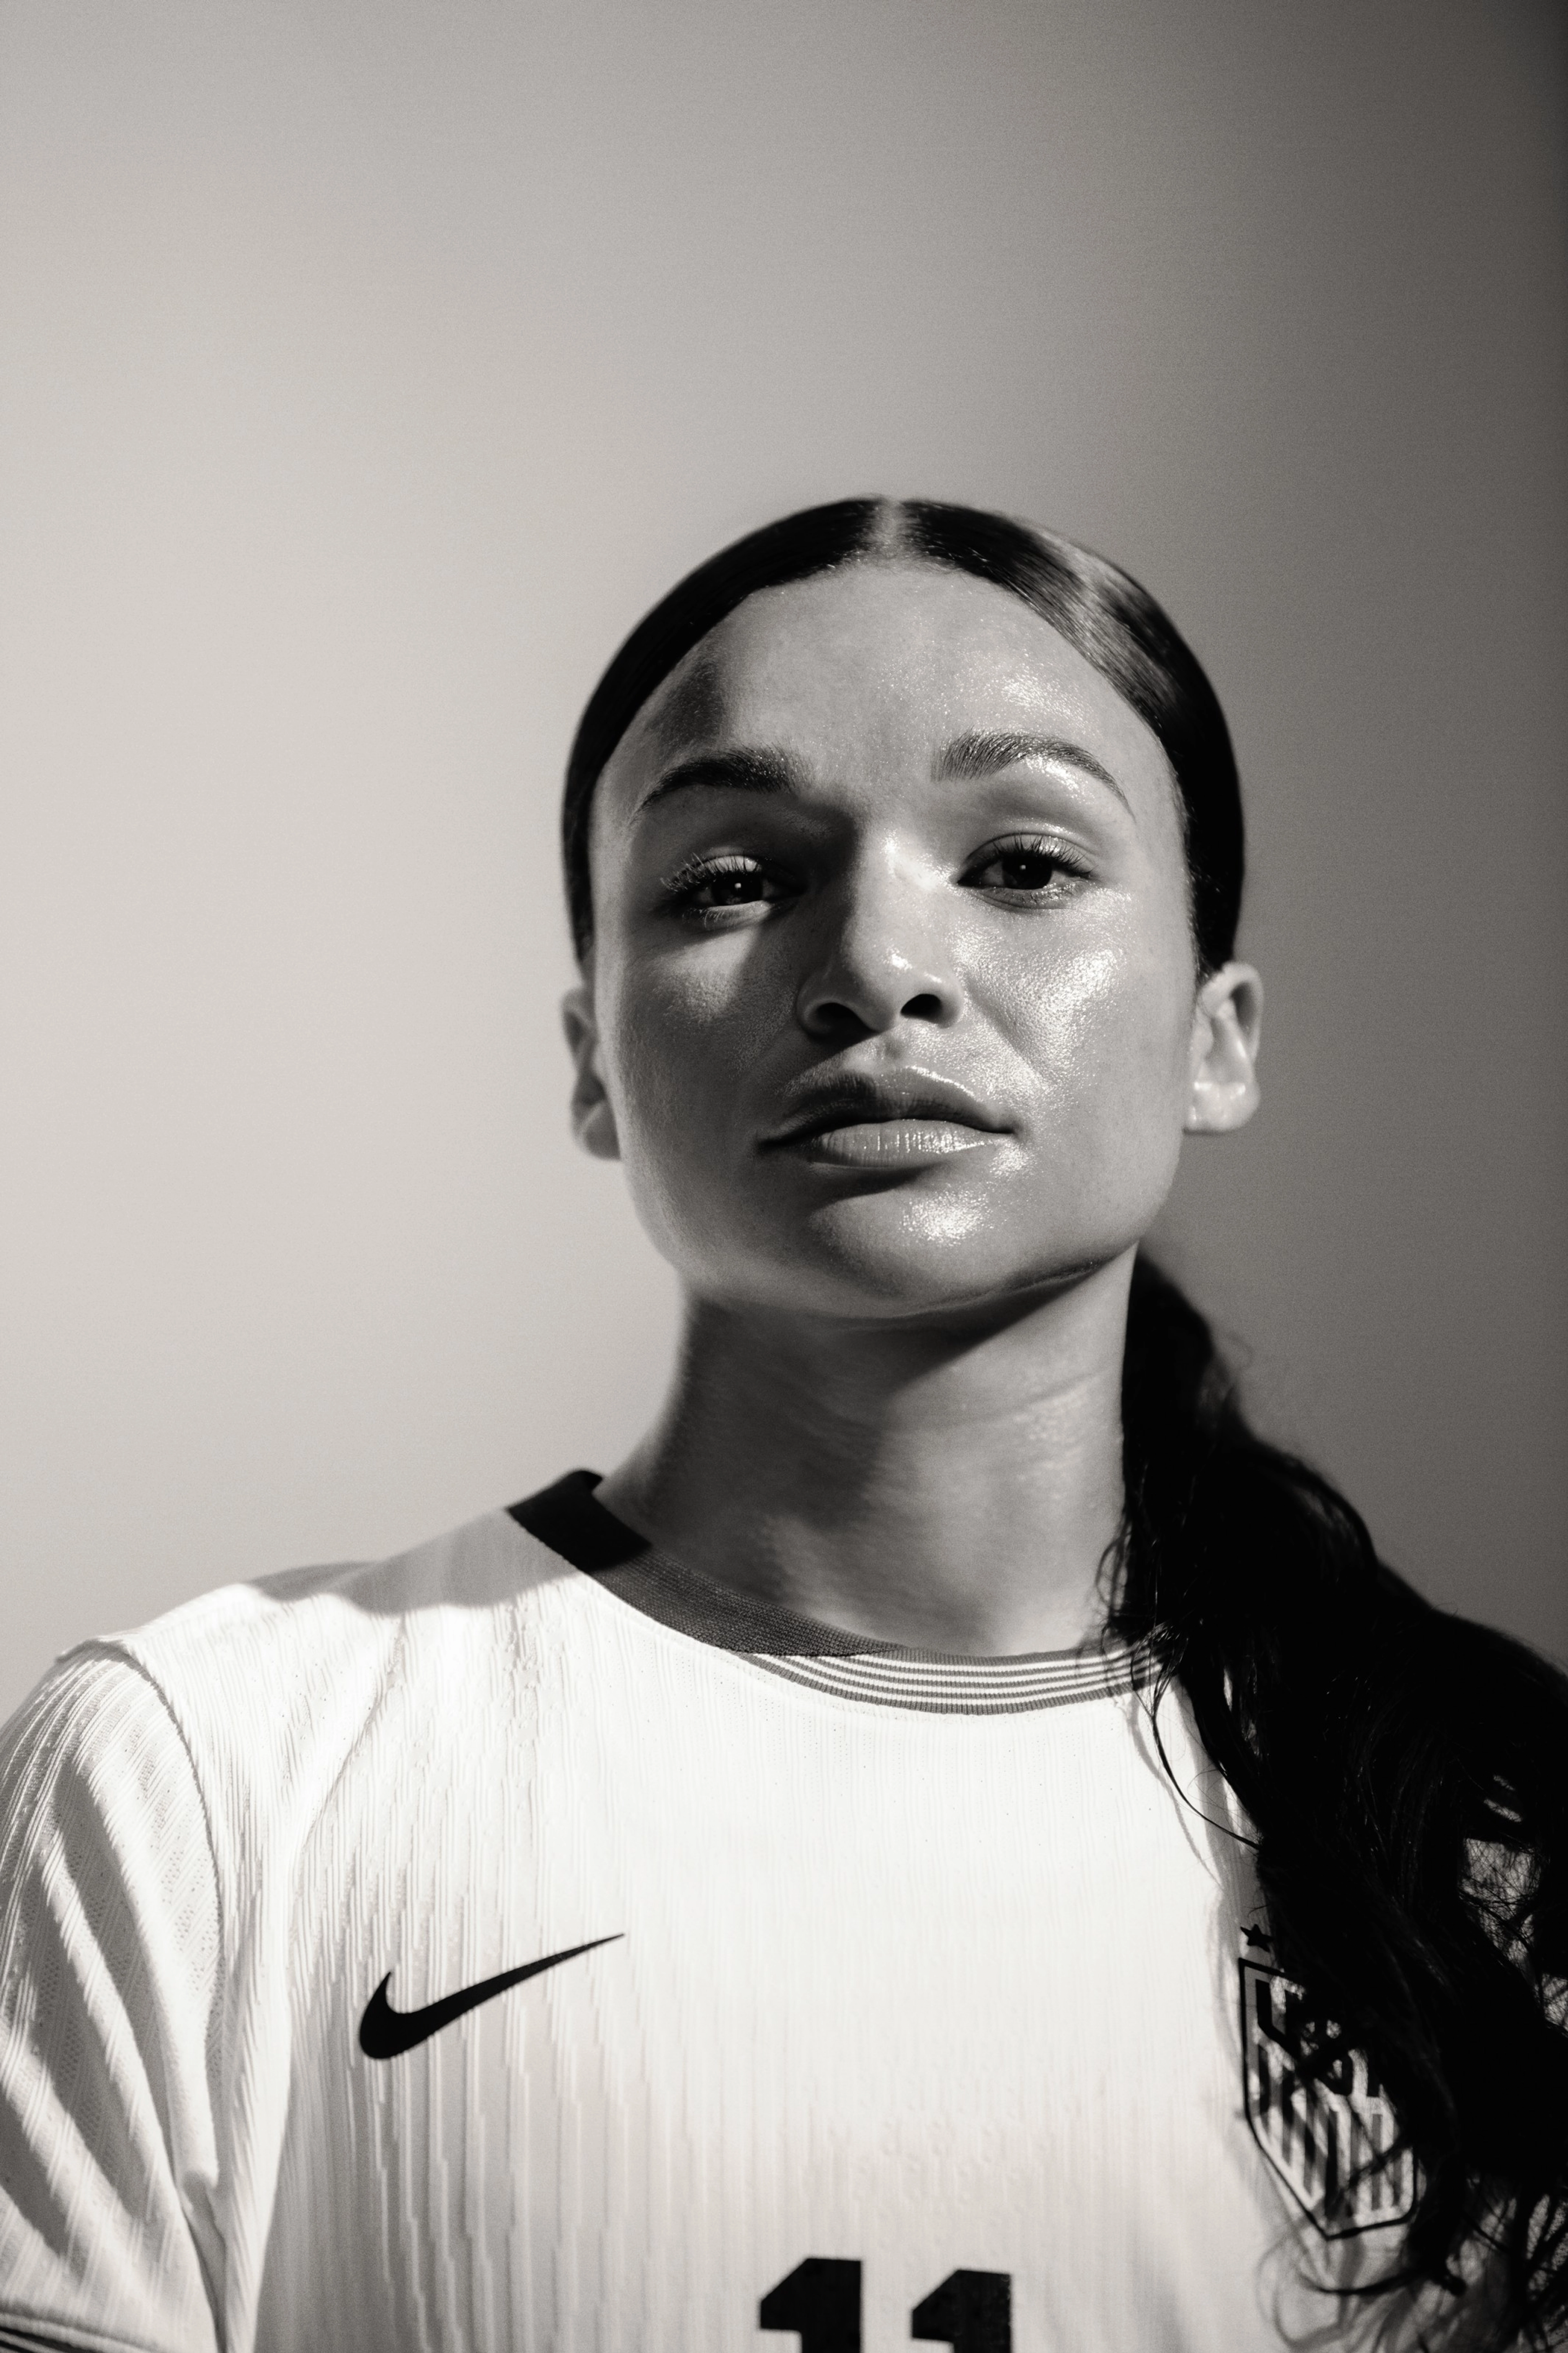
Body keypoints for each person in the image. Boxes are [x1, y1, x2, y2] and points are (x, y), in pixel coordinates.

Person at [0, 499, 1563, 2353]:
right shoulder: (203, 1773)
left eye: (1027, 863)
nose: (877, 968)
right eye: (734, 879)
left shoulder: (1491, 1849)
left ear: (1216, 1036)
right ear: (594, 1057)